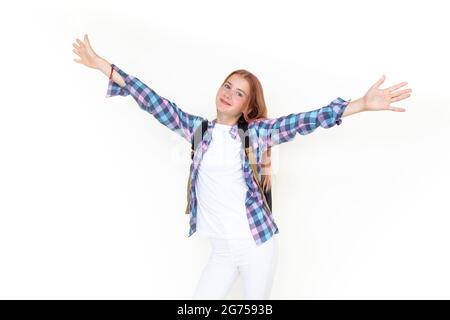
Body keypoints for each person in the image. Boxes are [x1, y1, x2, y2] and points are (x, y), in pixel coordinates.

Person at [72, 34, 412, 300]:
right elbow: (152, 101)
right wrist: (104, 66)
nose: (228, 94)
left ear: (248, 107)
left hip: (255, 245)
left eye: (239, 93)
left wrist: (362, 104)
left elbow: (305, 121)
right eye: (227, 86)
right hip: (221, 250)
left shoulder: (257, 134)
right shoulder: (198, 131)